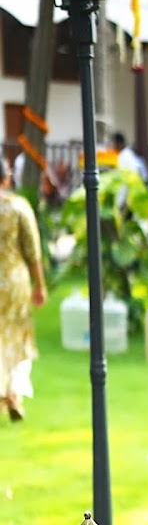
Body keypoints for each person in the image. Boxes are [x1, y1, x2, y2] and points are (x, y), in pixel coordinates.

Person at [0, 156, 47, 421]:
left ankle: (5, 393)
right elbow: (32, 250)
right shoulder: (18, 207)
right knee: (17, 336)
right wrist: (39, 284)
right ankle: (13, 393)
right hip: (14, 282)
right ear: (6, 179)